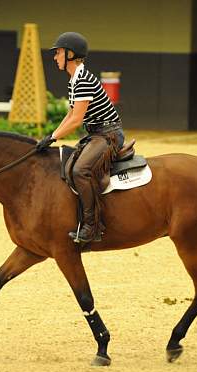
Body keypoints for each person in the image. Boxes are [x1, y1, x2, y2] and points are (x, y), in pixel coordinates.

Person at [36, 31, 124, 243]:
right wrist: (51, 135)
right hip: (96, 134)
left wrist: (53, 137)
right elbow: (70, 114)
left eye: (58, 53)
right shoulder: (74, 80)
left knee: (80, 170)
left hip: (108, 135)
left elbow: (76, 120)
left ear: (70, 54)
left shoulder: (83, 80)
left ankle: (92, 226)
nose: (55, 57)